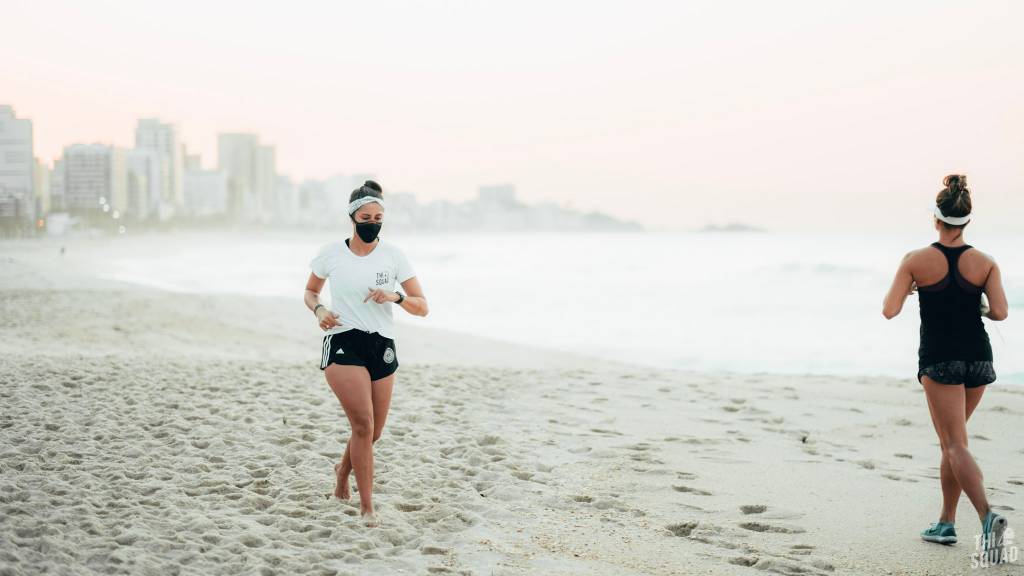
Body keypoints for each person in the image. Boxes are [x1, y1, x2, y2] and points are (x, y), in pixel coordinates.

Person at [882, 174, 1009, 561]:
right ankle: (945, 523)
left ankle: (987, 517)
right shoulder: (985, 263)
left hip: (940, 358)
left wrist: (912, 287)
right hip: (979, 357)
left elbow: (889, 310)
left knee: (954, 443)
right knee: (954, 443)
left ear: (936, 219)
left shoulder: (915, 260)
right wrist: (979, 306)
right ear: (967, 220)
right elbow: (1000, 312)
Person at [302, 180, 429, 527]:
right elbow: (311, 292)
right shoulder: (331, 253)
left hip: (381, 345)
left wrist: (396, 297)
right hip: (344, 340)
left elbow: (423, 307)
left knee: (373, 433)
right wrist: (319, 310)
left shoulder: (394, 256)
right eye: (366, 218)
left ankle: (342, 472)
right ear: (352, 218)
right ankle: (367, 508)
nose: (372, 223)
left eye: (378, 218)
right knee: (362, 424)